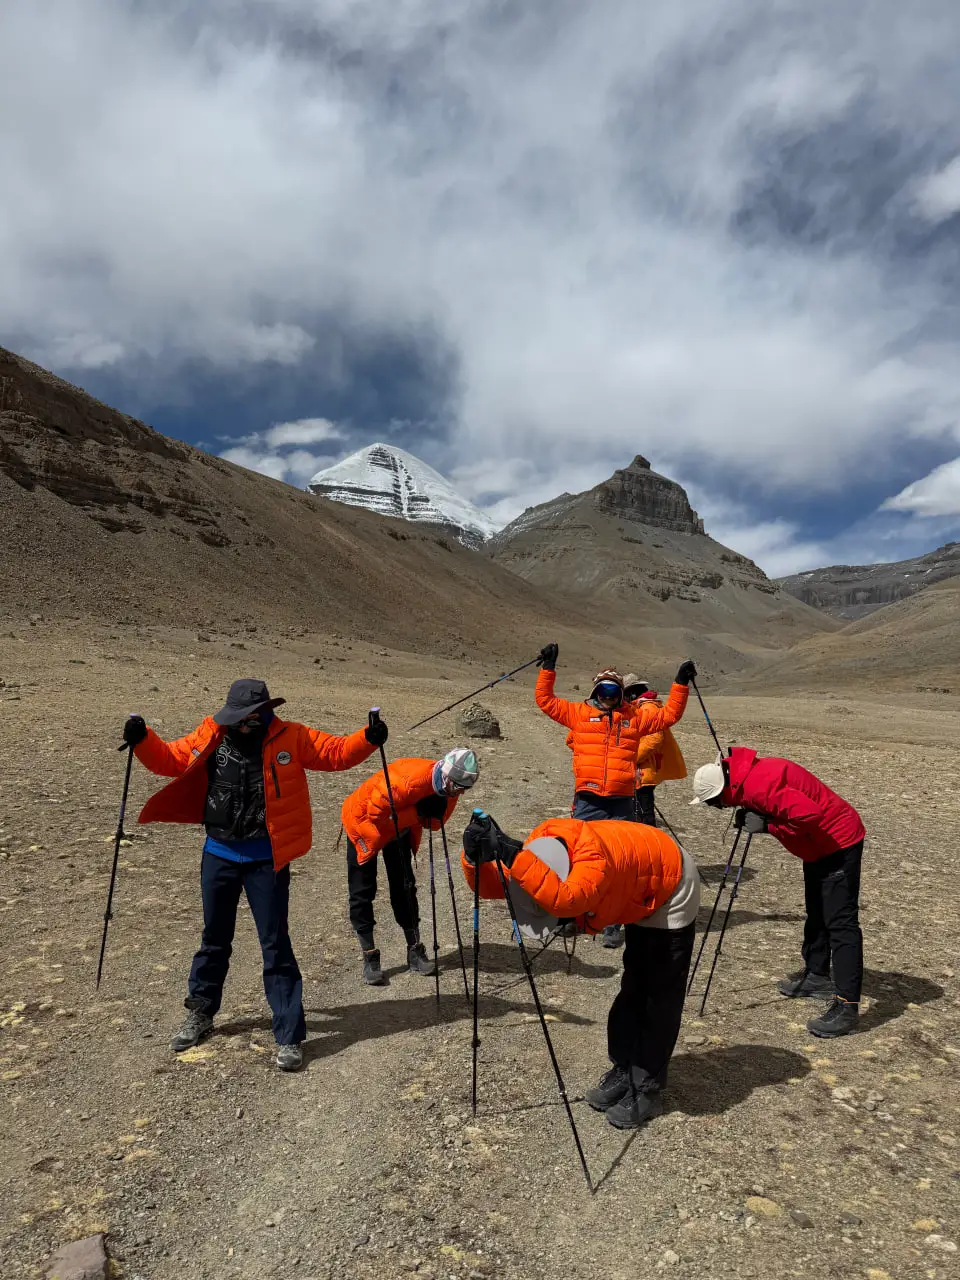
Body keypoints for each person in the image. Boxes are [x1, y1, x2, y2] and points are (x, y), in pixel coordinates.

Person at [122, 678, 385, 1071]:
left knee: (275, 943)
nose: (243, 725)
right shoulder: (212, 732)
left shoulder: (292, 736)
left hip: (268, 859)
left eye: (250, 718)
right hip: (219, 854)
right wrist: (142, 739)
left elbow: (335, 753)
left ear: (265, 712)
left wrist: (368, 737)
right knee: (214, 938)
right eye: (237, 719)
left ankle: (290, 1035)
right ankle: (201, 1012)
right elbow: (171, 759)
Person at [461, 810, 700, 1130]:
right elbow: (500, 885)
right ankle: (624, 1068)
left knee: (659, 994)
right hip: (637, 882)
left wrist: (510, 852)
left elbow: (569, 900)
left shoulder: (591, 859)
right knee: (634, 985)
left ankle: (647, 1088)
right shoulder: (539, 853)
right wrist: (475, 858)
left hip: (671, 884)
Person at [691, 747, 865, 1038]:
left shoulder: (758, 787)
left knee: (840, 923)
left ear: (723, 790)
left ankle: (847, 1006)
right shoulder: (746, 777)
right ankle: (817, 975)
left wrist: (768, 826)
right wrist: (761, 817)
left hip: (838, 842)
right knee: (818, 911)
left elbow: (809, 815)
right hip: (818, 847)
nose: (719, 808)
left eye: (715, 803)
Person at [536, 643, 696, 949]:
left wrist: (680, 683)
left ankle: (612, 923)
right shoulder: (579, 714)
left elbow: (670, 714)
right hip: (589, 799)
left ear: (621, 694)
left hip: (622, 801)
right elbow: (545, 701)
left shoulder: (634, 718)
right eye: (603, 690)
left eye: (613, 691)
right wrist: (548, 668)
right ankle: (574, 914)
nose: (608, 697)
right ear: (595, 692)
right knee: (578, 857)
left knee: (620, 864)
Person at [341, 749, 480, 985]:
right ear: (446, 775)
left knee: (405, 886)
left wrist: (426, 812)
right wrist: (417, 812)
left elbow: (434, 824)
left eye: (465, 789)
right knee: (362, 890)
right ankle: (369, 955)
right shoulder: (405, 782)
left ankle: (414, 948)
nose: (461, 792)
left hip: (400, 826)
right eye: (458, 787)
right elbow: (376, 816)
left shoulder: (449, 787)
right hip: (363, 822)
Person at [623, 675, 688, 827]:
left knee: (644, 805)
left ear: (631, 693)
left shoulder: (647, 708)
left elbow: (654, 739)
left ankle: (648, 831)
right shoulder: (644, 706)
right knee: (641, 803)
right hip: (646, 765)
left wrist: (631, 758)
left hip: (645, 767)